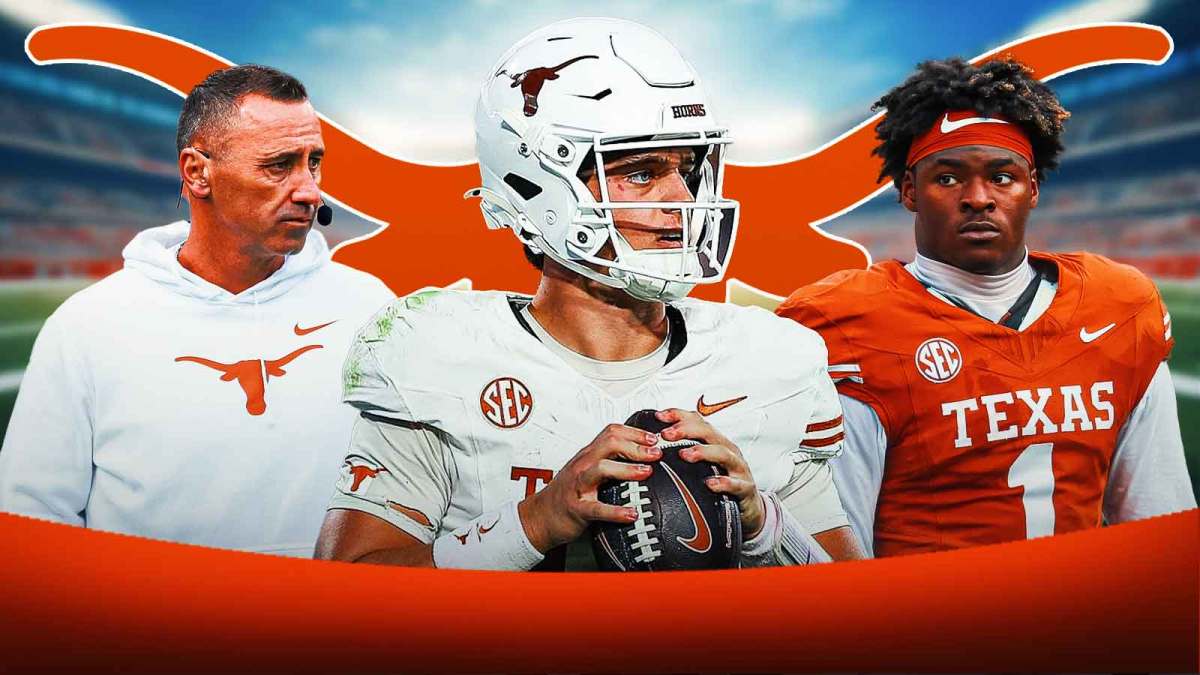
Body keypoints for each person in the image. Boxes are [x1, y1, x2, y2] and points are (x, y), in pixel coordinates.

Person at [315, 18, 865, 570]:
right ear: (536, 187)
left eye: (688, 168)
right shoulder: (436, 353)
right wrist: (533, 523)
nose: (681, 197)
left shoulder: (771, 359)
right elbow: (351, 589)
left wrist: (761, 522)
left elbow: (850, 609)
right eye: (642, 172)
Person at [776, 58, 1196, 557]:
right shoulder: (848, 324)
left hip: (1084, 621)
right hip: (930, 625)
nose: (979, 199)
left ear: (1033, 188)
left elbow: (1158, 518)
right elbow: (839, 553)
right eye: (949, 179)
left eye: (1002, 177)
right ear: (909, 191)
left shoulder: (1119, 306)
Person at [0, 65, 394, 556]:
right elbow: (33, 520)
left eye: (313, 162)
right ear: (197, 171)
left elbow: (414, 490)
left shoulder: (371, 308)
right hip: (150, 629)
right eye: (278, 165)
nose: (310, 190)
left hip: (331, 625)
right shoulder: (89, 325)